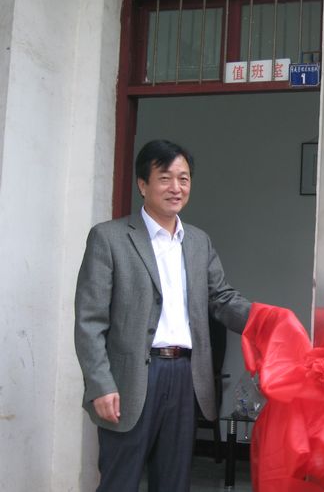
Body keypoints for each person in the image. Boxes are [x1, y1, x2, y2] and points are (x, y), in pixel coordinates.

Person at [74, 139, 252, 492]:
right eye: (165, 178)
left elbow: (221, 298)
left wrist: (268, 320)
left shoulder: (198, 242)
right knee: (120, 481)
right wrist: (100, 384)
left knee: (173, 481)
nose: (176, 188)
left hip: (185, 376)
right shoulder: (109, 238)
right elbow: (90, 321)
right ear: (143, 185)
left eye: (183, 179)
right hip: (130, 380)